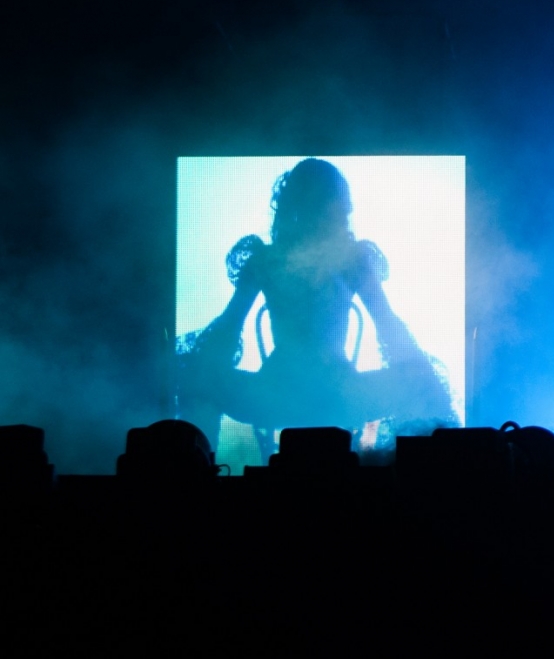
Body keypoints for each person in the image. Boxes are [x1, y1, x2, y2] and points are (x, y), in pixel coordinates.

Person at [176, 159, 457, 455]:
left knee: (201, 377)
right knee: (420, 381)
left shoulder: (343, 259)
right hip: (313, 391)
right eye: (338, 203)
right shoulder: (271, 260)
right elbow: (229, 325)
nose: (344, 212)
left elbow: (386, 322)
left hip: (297, 391)